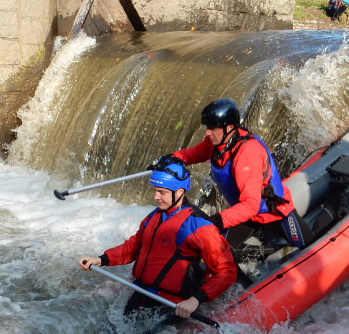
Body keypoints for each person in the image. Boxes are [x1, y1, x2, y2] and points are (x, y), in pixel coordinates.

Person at [78, 158, 237, 322]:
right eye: (155, 190)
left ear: (180, 191)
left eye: (162, 192)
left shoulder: (200, 226)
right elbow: (134, 246)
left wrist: (195, 300)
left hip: (174, 305)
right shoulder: (155, 216)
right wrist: (100, 259)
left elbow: (226, 272)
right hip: (143, 293)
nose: (155, 196)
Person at [168, 98, 319, 257]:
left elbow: (250, 205)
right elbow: (195, 153)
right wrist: (170, 160)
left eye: (212, 128)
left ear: (230, 127)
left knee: (310, 247)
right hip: (246, 218)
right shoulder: (218, 142)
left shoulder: (247, 154)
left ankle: (335, 196)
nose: (207, 133)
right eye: (207, 127)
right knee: (217, 252)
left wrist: (217, 220)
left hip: (274, 214)